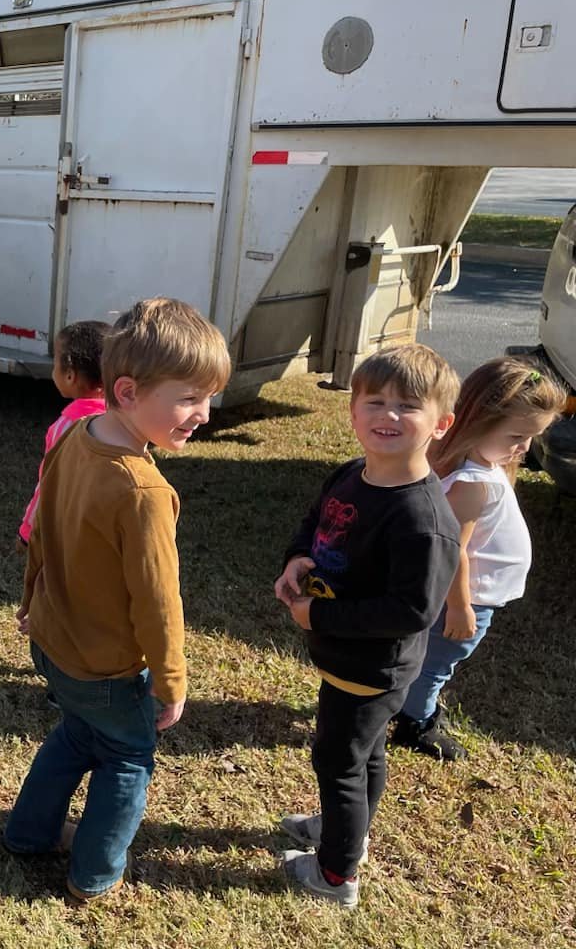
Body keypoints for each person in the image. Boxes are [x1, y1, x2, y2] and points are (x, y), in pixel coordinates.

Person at [2, 297, 232, 904]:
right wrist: (173, 678)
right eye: (189, 398)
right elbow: (160, 602)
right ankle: (94, 874)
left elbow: (41, 525)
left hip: (53, 644)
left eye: (209, 397)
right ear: (128, 391)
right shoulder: (145, 491)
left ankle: (28, 833)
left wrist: (30, 602)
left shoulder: (76, 433)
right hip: (107, 670)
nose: (204, 414)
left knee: (76, 735)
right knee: (127, 761)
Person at [273, 344, 461, 908]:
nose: (388, 415)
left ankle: (335, 873)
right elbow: (316, 520)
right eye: (374, 401)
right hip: (347, 658)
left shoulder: (422, 519)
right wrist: (297, 557)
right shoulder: (353, 474)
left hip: (370, 667)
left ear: (441, 424)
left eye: (408, 405)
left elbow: (412, 610)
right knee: (366, 755)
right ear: (352, 410)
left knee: (338, 762)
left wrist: (318, 615)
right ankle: (345, 829)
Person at [390, 356, 565, 761]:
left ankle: (409, 705)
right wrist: (461, 607)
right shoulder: (472, 483)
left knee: (432, 659)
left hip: (475, 595)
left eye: (531, 438)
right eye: (516, 437)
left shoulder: (482, 467)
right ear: (479, 421)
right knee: (437, 664)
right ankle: (416, 722)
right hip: (470, 597)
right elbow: (454, 550)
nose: (523, 448)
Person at [19, 319, 111, 545]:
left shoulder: (65, 428)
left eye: (54, 364)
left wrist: (27, 530)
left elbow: (48, 482)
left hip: (66, 534)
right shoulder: (125, 421)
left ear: (70, 375)